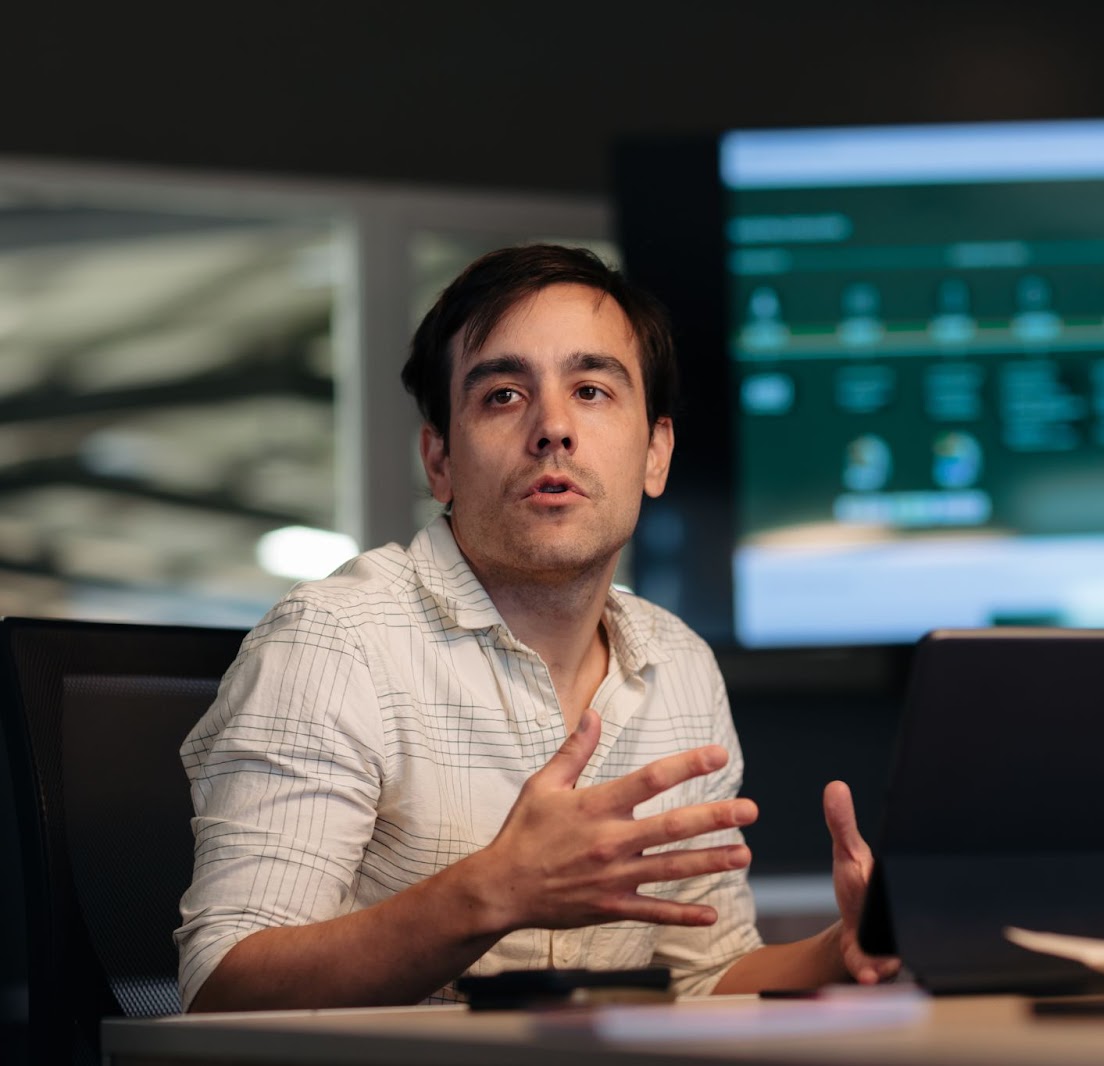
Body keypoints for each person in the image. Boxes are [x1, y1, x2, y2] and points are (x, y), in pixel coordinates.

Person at [175, 244, 899, 1011]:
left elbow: (700, 977)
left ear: (655, 455)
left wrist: (842, 948)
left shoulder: (680, 666)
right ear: (440, 461)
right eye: (503, 396)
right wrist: (491, 893)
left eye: (590, 390)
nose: (553, 427)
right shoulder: (334, 640)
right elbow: (224, 984)